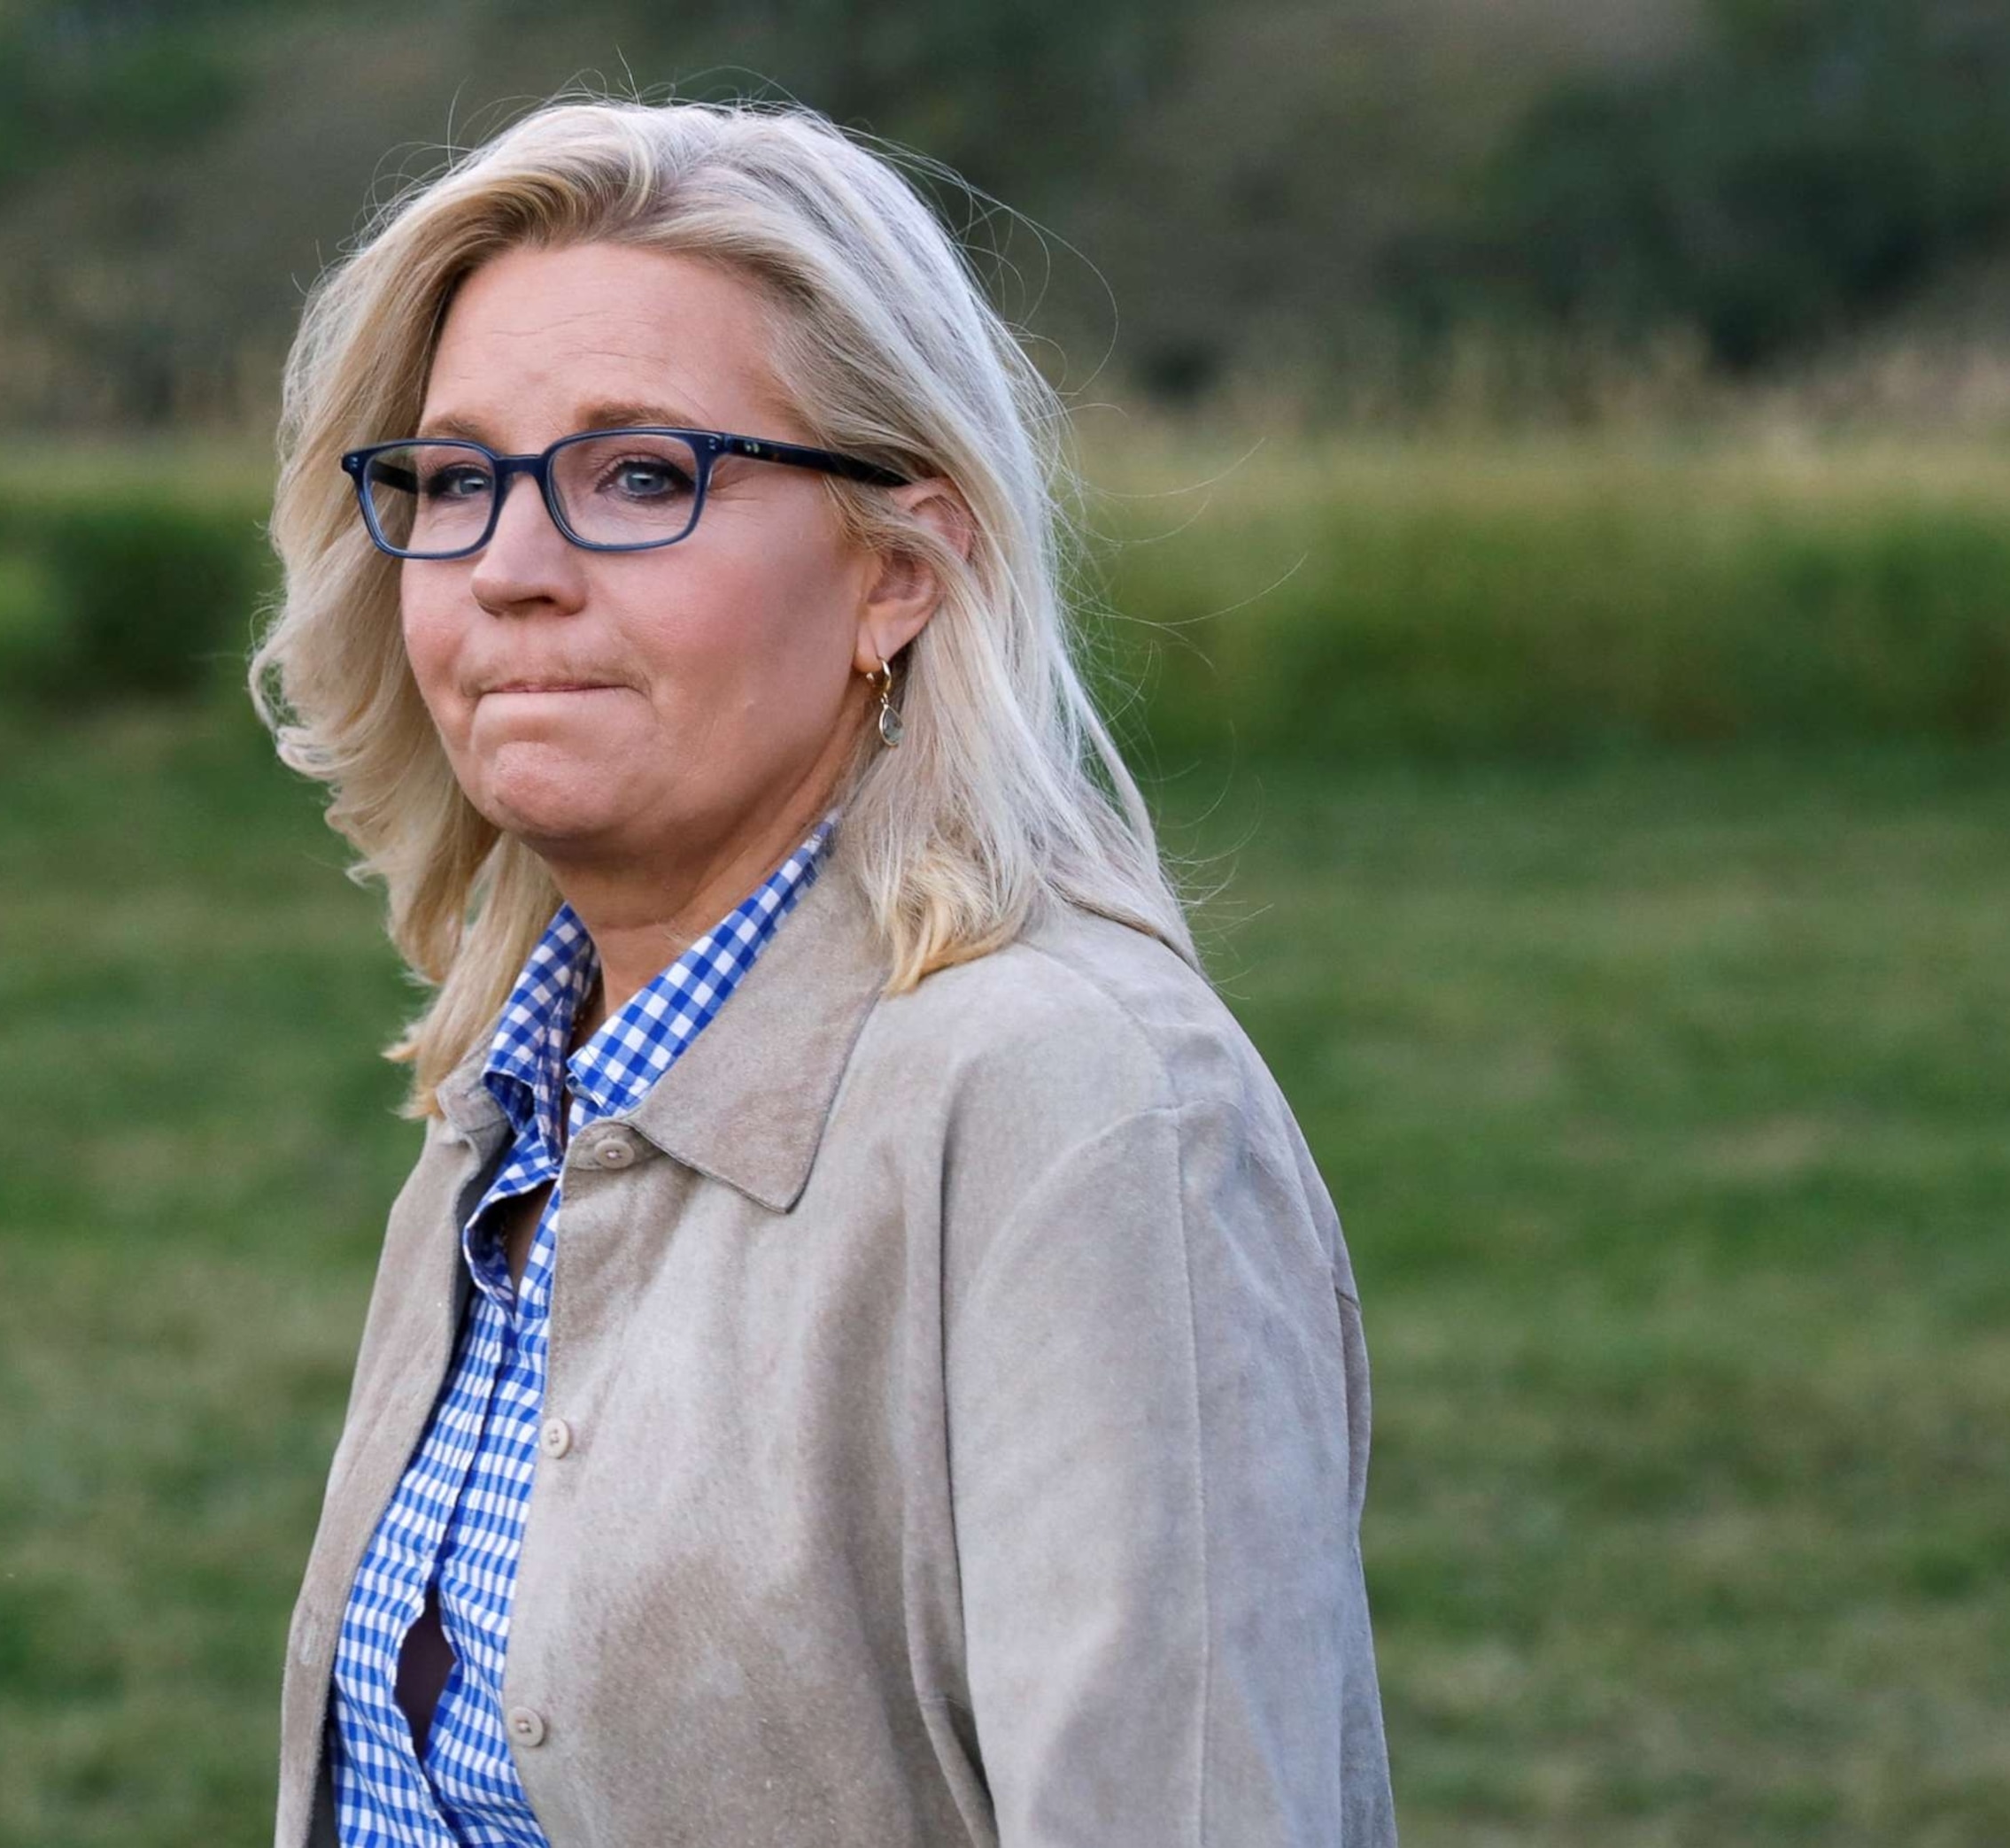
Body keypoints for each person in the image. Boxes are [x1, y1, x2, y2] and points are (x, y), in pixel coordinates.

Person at [246, 93, 1394, 1848]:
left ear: (901, 568)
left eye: (642, 476)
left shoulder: (1078, 1110)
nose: (511, 571)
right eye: (457, 478)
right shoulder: (528, 1079)